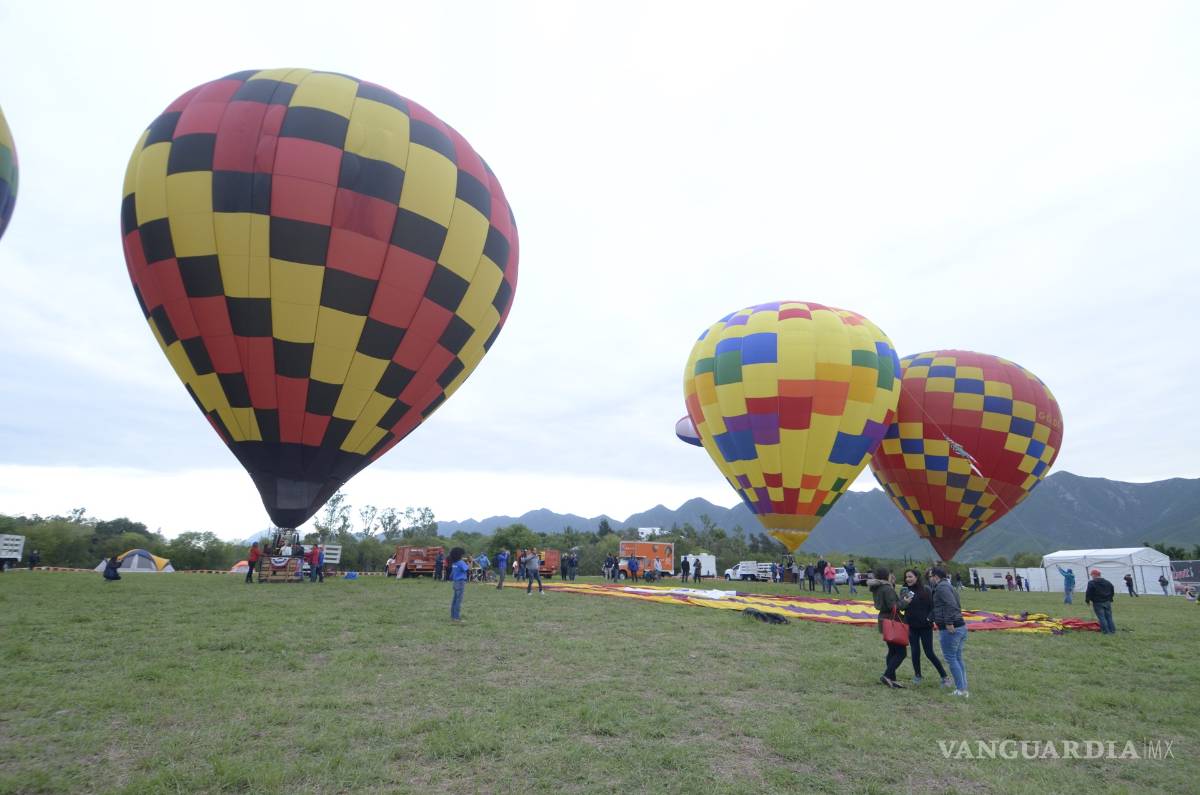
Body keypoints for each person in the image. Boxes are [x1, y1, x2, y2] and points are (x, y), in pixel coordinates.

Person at [899, 569, 950, 687]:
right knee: (915, 652)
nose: (908, 579)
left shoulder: (926, 590)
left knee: (929, 653)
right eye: (906, 577)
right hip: (911, 626)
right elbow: (901, 607)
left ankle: (945, 677)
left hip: (925, 626)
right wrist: (905, 602)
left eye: (910, 577)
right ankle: (917, 675)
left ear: (917, 577)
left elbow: (934, 606)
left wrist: (929, 618)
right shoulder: (904, 590)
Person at [929, 567, 969, 697]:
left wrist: (949, 622)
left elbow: (951, 604)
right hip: (960, 626)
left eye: (930, 576)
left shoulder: (941, 587)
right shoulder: (948, 585)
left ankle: (961, 690)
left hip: (951, 628)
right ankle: (963, 686)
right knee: (957, 657)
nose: (930, 579)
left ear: (936, 576)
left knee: (951, 658)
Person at [868, 567, 906, 688]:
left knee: (892, 650)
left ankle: (892, 679)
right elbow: (893, 606)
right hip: (892, 620)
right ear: (886, 576)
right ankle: (887, 675)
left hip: (883, 620)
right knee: (901, 653)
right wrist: (905, 601)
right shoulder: (887, 588)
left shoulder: (876, 588)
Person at [1085, 568, 1117, 634]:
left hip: (1098, 603)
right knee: (1109, 617)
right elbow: (1112, 589)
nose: (1092, 576)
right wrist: (1110, 598)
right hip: (1107, 602)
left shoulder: (1092, 583)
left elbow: (1088, 592)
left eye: (1092, 575)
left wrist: (1087, 600)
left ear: (1094, 575)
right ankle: (1112, 630)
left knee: (1102, 617)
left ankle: (1106, 631)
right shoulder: (1107, 582)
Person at [449, 547, 469, 622]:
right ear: (459, 555)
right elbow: (468, 569)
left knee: (454, 600)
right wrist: (469, 562)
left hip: (455, 582)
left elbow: (451, 575)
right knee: (458, 601)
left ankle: (453, 616)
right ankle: (456, 617)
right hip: (460, 582)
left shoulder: (454, 563)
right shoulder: (461, 562)